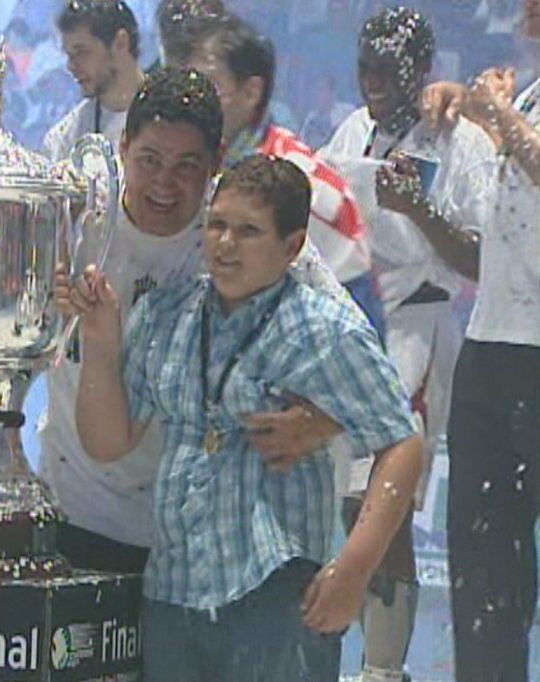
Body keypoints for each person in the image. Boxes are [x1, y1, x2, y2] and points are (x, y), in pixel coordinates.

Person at [69, 154, 423, 681]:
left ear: (293, 246)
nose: (225, 244)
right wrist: (99, 345)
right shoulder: (166, 316)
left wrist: (353, 569)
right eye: (216, 224)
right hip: (173, 588)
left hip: (276, 590)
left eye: (248, 231)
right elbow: (108, 442)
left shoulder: (323, 332)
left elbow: (402, 444)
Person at [37, 66, 346, 574]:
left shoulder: (241, 231)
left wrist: (318, 421)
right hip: (75, 516)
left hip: (204, 544)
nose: (164, 183)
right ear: (122, 148)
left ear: (216, 165)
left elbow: (352, 346)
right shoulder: (72, 218)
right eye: (149, 160)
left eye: (186, 166)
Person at [319, 9, 497, 680]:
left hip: (415, 336)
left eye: (389, 70)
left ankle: (384, 671)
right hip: (349, 326)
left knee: (383, 511)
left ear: (421, 70)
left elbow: (480, 258)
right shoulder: (351, 130)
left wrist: (418, 208)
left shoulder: (460, 142)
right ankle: (373, 658)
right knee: (350, 508)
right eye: (365, 67)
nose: (373, 82)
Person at [421, 0, 540, 677]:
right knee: (483, 566)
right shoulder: (526, 90)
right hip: (493, 342)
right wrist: (464, 104)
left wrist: (496, 115)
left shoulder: (517, 105)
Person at [184, 13, 385, 339]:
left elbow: (359, 317)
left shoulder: (303, 180)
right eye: (189, 85)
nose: (193, 101)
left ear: (251, 91)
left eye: (210, 86)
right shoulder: (199, 165)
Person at [41, 0, 144, 162]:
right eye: (68, 55)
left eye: (81, 52)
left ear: (120, 44)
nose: (71, 66)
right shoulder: (63, 142)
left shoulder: (173, 119)